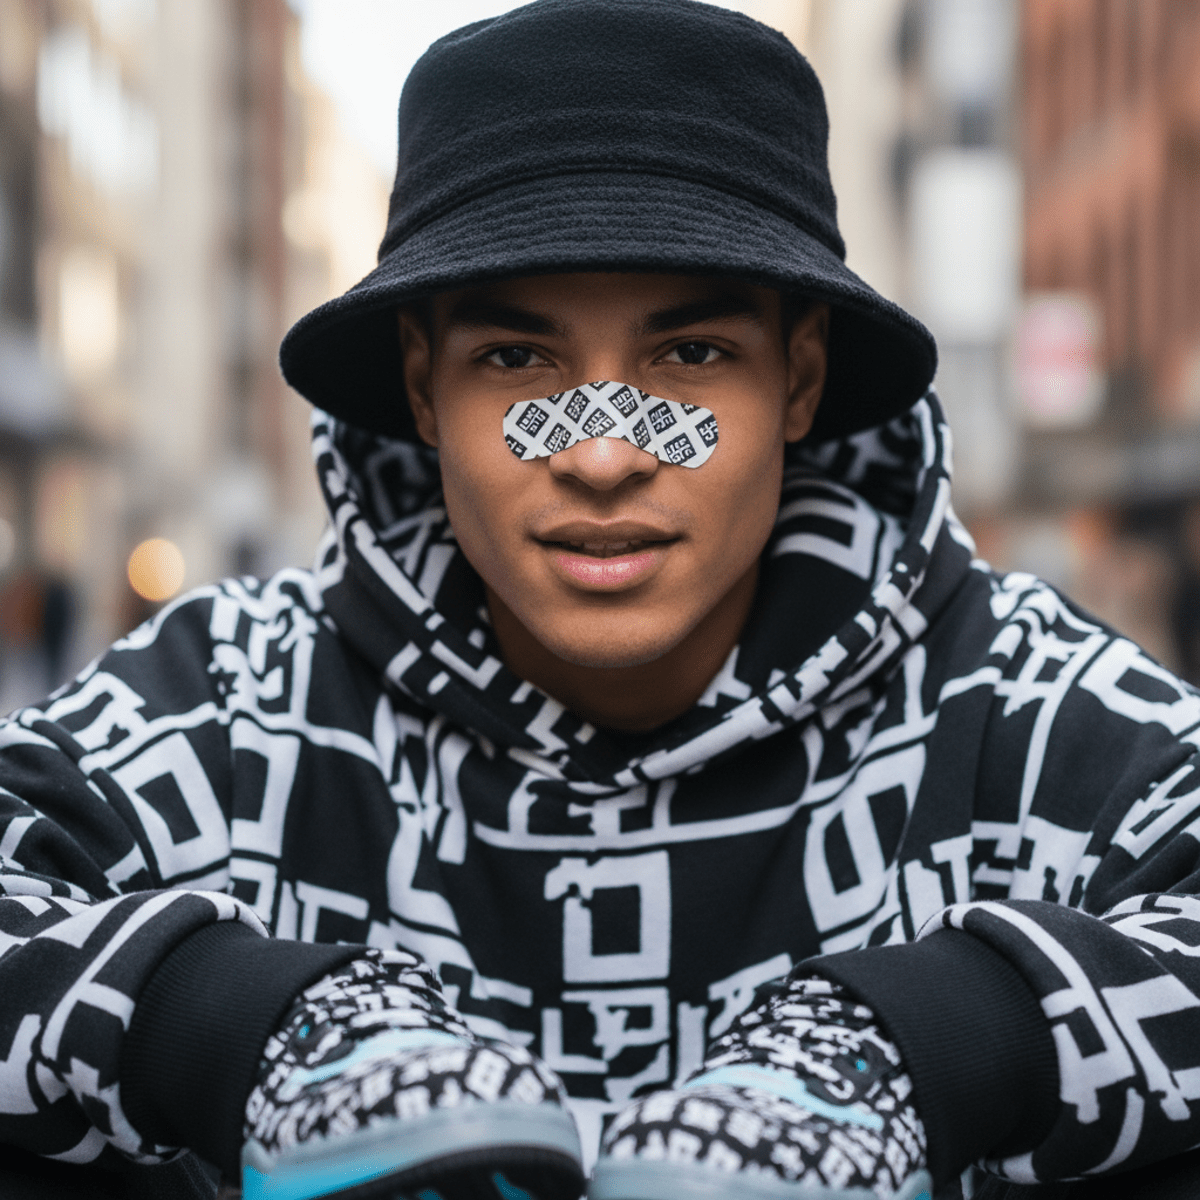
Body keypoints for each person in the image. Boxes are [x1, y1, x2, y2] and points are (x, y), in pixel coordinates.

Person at [4, 2, 1200, 1199]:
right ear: (423, 390)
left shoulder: (1020, 703)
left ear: (802, 376)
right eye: (517, 360)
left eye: (690, 356)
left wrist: (934, 1039)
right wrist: (246, 1024)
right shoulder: (236, 705)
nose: (605, 455)